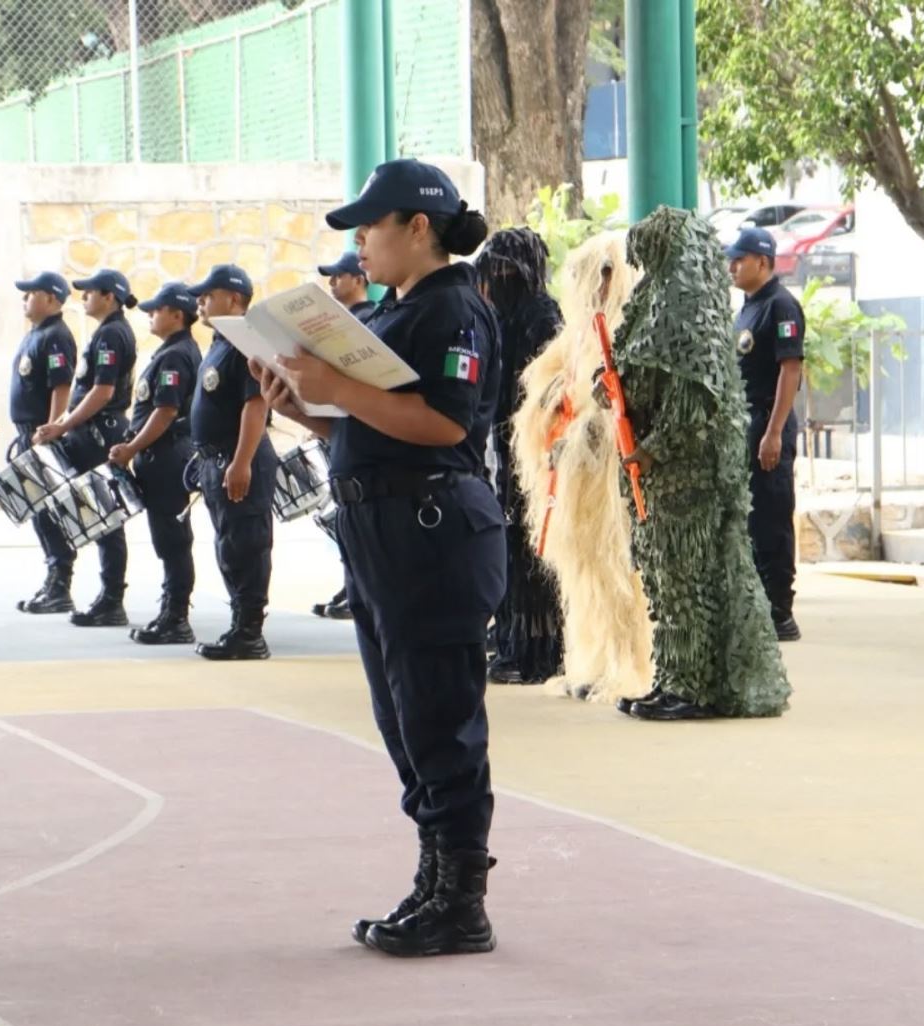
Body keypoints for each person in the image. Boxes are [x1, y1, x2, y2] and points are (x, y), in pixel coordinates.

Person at [254, 159, 505, 957]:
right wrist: (307, 406)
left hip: (432, 531)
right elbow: (372, 427)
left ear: (418, 227)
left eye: (371, 227)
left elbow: (444, 426)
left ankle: (462, 900)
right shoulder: (400, 312)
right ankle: (434, 881)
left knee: (439, 713)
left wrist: (337, 384)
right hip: (385, 531)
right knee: (405, 716)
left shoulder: (453, 309)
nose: (360, 242)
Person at [612, 205, 791, 721]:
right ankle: (673, 677)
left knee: (688, 583)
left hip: (688, 479)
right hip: (658, 478)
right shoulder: (653, 302)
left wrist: (652, 448)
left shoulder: (689, 310)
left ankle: (692, 688)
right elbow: (638, 373)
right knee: (667, 585)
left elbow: (696, 403)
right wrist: (615, 391)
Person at [514, 232, 653, 703]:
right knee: (582, 581)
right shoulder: (574, 338)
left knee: (621, 581)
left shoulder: (631, 331)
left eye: (603, 275)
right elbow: (541, 392)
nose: (593, 284)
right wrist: (552, 405)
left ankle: (628, 666)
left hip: (611, 486)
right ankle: (591, 663)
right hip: (573, 483)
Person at [474, 227, 564, 685]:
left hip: (537, 454)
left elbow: (551, 389)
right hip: (504, 448)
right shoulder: (500, 317)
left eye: (501, 270)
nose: (492, 280)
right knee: (509, 545)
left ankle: (537, 648)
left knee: (532, 549)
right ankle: (510, 633)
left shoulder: (542, 315)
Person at [35, 269, 137, 627]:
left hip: (100, 434)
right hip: (92, 432)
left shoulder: (111, 333)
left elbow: (103, 391)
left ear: (109, 296)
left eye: (90, 292)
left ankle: (111, 599)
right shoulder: (107, 331)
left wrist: (63, 423)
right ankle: (104, 595)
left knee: (106, 518)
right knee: (95, 515)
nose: (83, 298)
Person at [188, 265, 278, 660]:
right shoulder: (220, 342)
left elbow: (255, 404)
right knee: (229, 544)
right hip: (218, 459)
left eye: (209, 294)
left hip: (239, 457)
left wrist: (241, 462)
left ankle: (249, 633)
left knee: (246, 544)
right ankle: (240, 626)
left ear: (236, 299)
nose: (200, 301)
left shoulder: (246, 341)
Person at [106, 282, 203, 645]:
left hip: (168, 456)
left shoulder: (176, 355)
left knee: (173, 540)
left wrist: (131, 448)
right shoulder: (171, 351)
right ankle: (170, 612)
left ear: (177, 314)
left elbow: (165, 411)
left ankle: (176, 617)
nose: (150, 314)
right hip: (159, 455)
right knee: (167, 539)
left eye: (156, 310)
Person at [726, 227, 805, 641]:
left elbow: (791, 370)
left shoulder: (781, 306)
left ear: (763, 261)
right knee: (751, 518)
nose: (732, 266)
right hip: (745, 423)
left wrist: (774, 432)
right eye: (731, 258)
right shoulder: (746, 309)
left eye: (740, 259)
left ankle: (780, 612)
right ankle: (757, 604)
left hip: (768, 422)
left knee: (772, 517)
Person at [8, 271, 78, 615]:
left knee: (47, 511)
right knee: (37, 510)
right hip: (27, 432)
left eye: (31, 294)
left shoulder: (56, 336)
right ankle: (52, 578)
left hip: (40, 433)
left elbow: (60, 387)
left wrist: (52, 429)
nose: (25, 300)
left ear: (51, 298)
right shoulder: (36, 334)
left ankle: (60, 582)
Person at [311, 250, 375, 620]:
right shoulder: (346, 321)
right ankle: (350, 585)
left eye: (339, 276)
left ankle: (358, 589)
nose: (333, 282)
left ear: (359, 280)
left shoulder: (364, 320)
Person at [317, 249, 376, 320]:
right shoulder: (347, 318)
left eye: (338, 276)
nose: (331, 282)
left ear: (358, 281)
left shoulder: (367, 319)